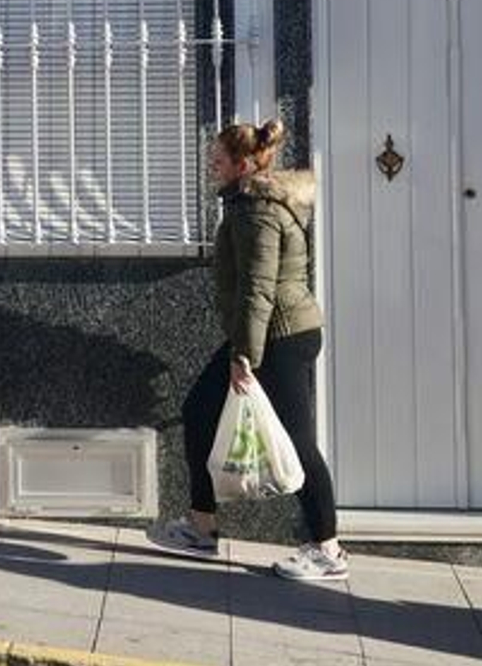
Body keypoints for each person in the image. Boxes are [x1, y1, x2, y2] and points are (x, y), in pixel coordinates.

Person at [147, 119, 346, 581]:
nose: (211, 166)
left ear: (242, 164)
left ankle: (328, 549)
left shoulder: (257, 210)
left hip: (278, 337)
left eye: (217, 160)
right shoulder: (247, 203)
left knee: (297, 441)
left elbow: (259, 288)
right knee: (198, 412)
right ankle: (201, 525)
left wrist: (244, 356)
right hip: (263, 334)